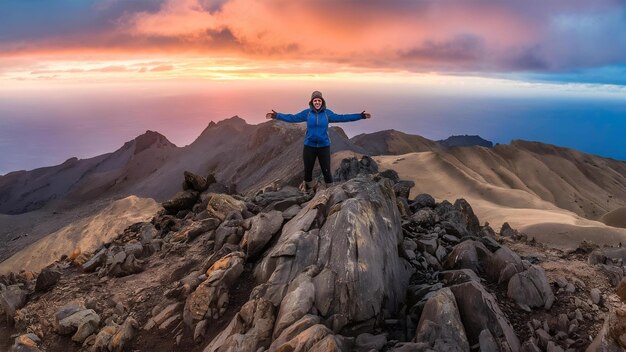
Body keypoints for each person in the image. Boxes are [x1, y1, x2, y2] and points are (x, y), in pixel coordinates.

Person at [266, 91, 371, 192]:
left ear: (322, 102)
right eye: (315, 100)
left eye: (319, 101)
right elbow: (292, 118)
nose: (317, 102)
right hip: (309, 146)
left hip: (324, 147)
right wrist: (276, 115)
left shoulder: (327, 114)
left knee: (326, 171)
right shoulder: (307, 113)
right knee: (308, 171)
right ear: (312, 102)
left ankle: (330, 191)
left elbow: (343, 117)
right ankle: (308, 191)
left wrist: (360, 116)